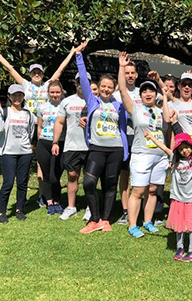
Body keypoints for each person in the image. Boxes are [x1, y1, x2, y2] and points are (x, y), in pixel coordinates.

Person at [0, 42, 76, 207]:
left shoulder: (49, 85)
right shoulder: (25, 85)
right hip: (26, 126)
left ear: (42, 74)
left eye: (39, 72)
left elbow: (60, 70)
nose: (36, 75)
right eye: (33, 72)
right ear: (30, 74)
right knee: (23, 161)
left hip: (44, 128)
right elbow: (11, 69)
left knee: (42, 163)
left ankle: (42, 195)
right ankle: (23, 194)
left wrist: (72, 52)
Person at [75, 41, 129, 234]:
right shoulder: (92, 101)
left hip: (115, 149)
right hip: (97, 148)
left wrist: (121, 67)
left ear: (113, 89)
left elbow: (124, 89)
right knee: (89, 182)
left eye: (109, 87)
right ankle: (94, 219)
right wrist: (79, 56)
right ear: (98, 87)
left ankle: (105, 220)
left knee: (110, 185)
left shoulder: (119, 106)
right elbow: (82, 79)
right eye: (103, 86)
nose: (106, 89)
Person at [118, 52, 168, 237]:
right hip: (141, 154)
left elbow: (168, 95)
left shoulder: (163, 110)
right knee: (138, 190)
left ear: (156, 94)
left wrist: (160, 82)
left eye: (151, 91)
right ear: (140, 95)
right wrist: (122, 67)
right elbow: (123, 90)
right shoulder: (136, 109)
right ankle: (133, 225)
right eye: (145, 91)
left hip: (160, 156)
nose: (148, 94)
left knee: (153, 190)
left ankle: (147, 222)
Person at [144, 131, 192, 262]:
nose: (185, 151)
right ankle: (180, 248)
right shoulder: (174, 159)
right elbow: (164, 148)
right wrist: (151, 137)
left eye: (187, 147)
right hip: (178, 199)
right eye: (181, 148)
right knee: (179, 225)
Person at [0, 84, 35, 223]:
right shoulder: (5, 112)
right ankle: (2, 212)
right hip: (8, 153)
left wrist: (28, 147)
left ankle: (19, 209)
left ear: (23, 97)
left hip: (25, 152)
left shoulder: (28, 114)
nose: (17, 98)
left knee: (22, 183)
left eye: (20, 95)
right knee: (8, 183)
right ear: (9, 97)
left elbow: (31, 133)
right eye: (14, 95)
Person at [52, 72, 90, 220]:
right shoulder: (67, 101)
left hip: (90, 146)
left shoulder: (94, 101)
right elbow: (60, 122)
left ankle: (89, 207)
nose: (81, 84)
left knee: (89, 179)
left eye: (85, 82)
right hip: (71, 146)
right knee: (72, 176)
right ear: (75, 84)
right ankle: (71, 207)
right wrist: (55, 142)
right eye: (79, 82)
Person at [112, 59, 141, 225]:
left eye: (132, 73)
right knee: (124, 175)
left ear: (136, 75)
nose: (129, 76)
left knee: (138, 176)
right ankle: (124, 210)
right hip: (122, 138)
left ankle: (137, 207)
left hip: (139, 139)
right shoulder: (116, 95)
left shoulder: (142, 92)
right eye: (126, 73)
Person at [36, 81, 66, 215]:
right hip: (44, 142)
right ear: (48, 93)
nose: (55, 95)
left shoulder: (65, 105)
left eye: (57, 92)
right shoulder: (42, 107)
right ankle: (50, 202)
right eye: (52, 92)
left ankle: (57, 200)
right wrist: (39, 142)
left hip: (60, 143)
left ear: (62, 92)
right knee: (47, 175)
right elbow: (39, 127)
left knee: (56, 176)